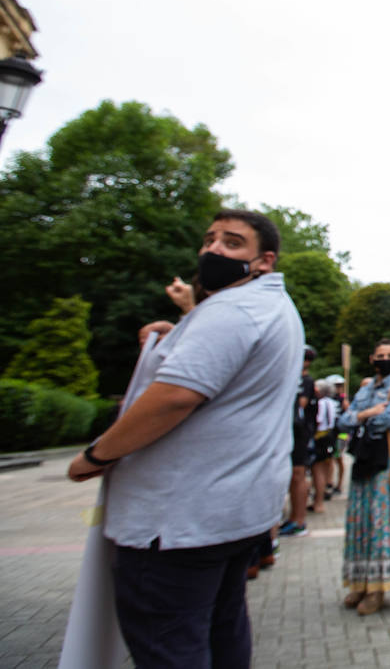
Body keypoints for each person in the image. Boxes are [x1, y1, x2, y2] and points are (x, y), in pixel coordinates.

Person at [66, 209, 304, 669]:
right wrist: (184, 328)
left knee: (171, 645)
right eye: (210, 239)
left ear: (264, 261)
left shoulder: (235, 309)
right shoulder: (266, 307)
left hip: (179, 519)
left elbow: (174, 396)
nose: (213, 249)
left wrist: (95, 456)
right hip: (229, 511)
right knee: (221, 629)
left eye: (232, 243)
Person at [338, 338, 390, 616]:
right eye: (380, 354)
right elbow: (344, 420)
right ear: (372, 358)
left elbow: (389, 419)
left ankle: (377, 588)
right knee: (360, 518)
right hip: (364, 458)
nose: (385, 359)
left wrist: (361, 416)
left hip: (389, 456)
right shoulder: (368, 388)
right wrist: (368, 412)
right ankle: (359, 581)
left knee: (382, 519)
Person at [281, 346, 318, 536]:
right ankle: (292, 517)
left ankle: (299, 520)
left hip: (299, 432)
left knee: (298, 474)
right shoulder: (291, 377)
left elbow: (300, 406)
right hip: (289, 431)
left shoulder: (305, 381)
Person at [312, 378, 340, 509]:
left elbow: (319, 420)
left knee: (318, 469)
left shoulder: (321, 403)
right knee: (326, 465)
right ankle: (325, 490)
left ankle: (319, 500)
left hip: (321, 436)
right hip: (330, 435)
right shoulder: (332, 402)